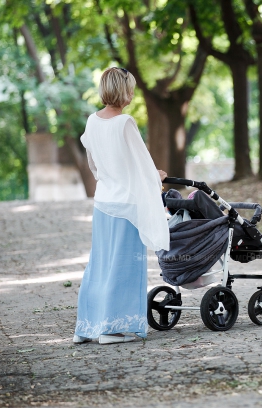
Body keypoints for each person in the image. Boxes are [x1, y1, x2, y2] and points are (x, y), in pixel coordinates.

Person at [73, 67, 170, 345]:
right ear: (122, 90)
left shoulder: (92, 121)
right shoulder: (125, 122)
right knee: (124, 265)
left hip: (103, 202)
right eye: (131, 88)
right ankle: (111, 330)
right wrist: (157, 177)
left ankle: (86, 327)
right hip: (126, 205)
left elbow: (94, 164)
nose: (133, 93)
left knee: (100, 264)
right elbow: (142, 162)